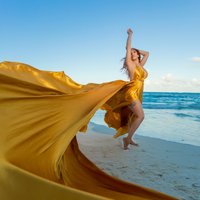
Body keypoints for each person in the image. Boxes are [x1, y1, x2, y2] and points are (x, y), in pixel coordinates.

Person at [121, 28, 149, 149]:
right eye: (130, 52)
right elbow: (127, 48)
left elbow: (147, 53)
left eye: (134, 52)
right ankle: (127, 139)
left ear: (138, 54)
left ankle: (129, 138)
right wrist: (130, 35)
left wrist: (137, 50)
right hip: (131, 92)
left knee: (135, 117)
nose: (131, 53)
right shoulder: (130, 64)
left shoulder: (140, 65)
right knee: (140, 116)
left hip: (138, 92)